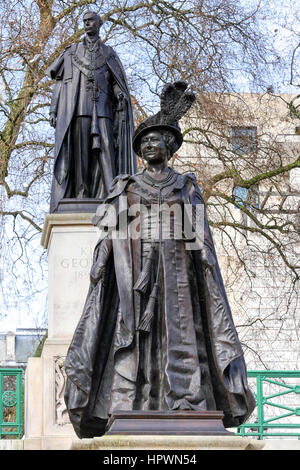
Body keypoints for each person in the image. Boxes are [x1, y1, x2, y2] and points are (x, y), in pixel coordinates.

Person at [64, 81, 255, 438]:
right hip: (133, 275)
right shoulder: (127, 187)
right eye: (145, 141)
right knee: (134, 338)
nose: (151, 145)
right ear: (139, 150)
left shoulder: (185, 186)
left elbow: (198, 237)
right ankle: (132, 403)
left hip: (178, 276)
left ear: (169, 147)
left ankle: (185, 402)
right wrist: (100, 262)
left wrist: (207, 267)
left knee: (180, 336)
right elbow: (111, 232)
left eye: (157, 140)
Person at [47, 10, 136, 213]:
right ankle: (80, 195)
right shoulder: (72, 52)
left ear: (99, 24)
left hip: (103, 110)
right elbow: (60, 84)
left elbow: (116, 82)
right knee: (81, 155)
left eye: (91, 21)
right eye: (84, 21)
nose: (87, 24)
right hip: (78, 110)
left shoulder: (109, 53)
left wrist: (120, 94)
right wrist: (53, 110)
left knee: (106, 151)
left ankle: (111, 192)